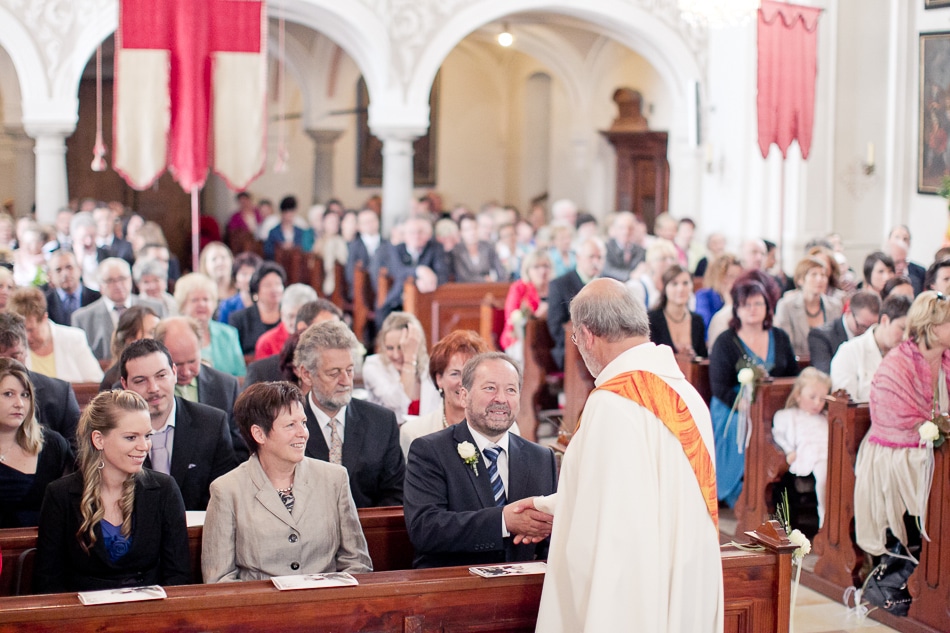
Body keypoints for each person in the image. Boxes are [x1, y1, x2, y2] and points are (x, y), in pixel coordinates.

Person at [535, 278, 723, 632]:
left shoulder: (613, 403)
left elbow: (610, 526)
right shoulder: (687, 394)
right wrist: (550, 507)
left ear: (588, 335)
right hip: (687, 584)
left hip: (636, 599)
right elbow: (647, 494)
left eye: (576, 339)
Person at [201, 382, 371, 582]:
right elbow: (219, 580)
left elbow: (358, 562)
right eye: (291, 425)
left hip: (327, 606)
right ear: (259, 434)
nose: (303, 433)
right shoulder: (227, 490)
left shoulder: (335, 479)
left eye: (304, 422)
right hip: (261, 610)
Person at [403, 352, 557, 569]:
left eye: (511, 390)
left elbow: (552, 539)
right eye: (490, 388)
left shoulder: (541, 458)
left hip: (524, 588)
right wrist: (502, 521)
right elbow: (425, 529)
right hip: (453, 586)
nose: (501, 399)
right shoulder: (429, 451)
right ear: (464, 396)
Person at [32, 390, 190, 593]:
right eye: (131, 437)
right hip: (83, 617)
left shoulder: (165, 489)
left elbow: (178, 575)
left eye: (147, 436)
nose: (144, 446)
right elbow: (48, 580)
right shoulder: (60, 494)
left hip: (149, 614)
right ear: (98, 439)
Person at [853, 292, 950, 611]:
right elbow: (894, 420)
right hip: (894, 450)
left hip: (932, 444)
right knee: (925, 466)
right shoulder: (898, 362)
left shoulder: (946, 359)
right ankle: (921, 566)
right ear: (934, 328)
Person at [294, 320, 405, 507]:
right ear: (306, 374)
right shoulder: (286, 423)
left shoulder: (382, 422)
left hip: (368, 532)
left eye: (350, 370)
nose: (345, 381)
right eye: (334, 373)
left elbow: (396, 493)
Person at [709, 276, 798, 507]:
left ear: (767, 307)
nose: (752, 309)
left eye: (758, 303)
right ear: (736, 309)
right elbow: (719, 386)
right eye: (746, 304)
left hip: (774, 408)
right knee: (744, 425)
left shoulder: (779, 337)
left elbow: (792, 375)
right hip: (734, 407)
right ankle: (739, 493)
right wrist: (743, 405)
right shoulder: (725, 342)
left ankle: (779, 491)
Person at [119, 338, 238, 510]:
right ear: (125, 384)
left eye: (161, 376)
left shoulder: (212, 424)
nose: (153, 388)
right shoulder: (113, 431)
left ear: (174, 373)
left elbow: (225, 497)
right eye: (140, 381)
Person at [154, 317, 246, 462]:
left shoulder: (226, 386)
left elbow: (239, 447)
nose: (185, 371)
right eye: (177, 364)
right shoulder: (147, 389)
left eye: (192, 361)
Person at [0, 358, 73, 527]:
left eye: (25, 395)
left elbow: (71, 506)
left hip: (43, 547)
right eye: (8, 394)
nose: (19, 404)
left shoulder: (52, 445)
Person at [399, 330, 491, 458]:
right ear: (439, 379)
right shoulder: (413, 433)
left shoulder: (501, 427)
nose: (462, 382)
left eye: (470, 374)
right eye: (455, 374)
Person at [0, 312, 82, 447]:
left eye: (15, 356)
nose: (7, 365)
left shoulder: (60, 393)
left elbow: (77, 454)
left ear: (26, 351)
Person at [772, 367, 833, 530]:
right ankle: (824, 519)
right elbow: (778, 435)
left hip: (829, 453)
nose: (817, 403)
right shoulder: (788, 416)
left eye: (822, 399)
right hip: (811, 455)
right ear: (798, 395)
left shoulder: (825, 418)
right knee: (824, 476)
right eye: (812, 397)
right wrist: (788, 450)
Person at [71, 257, 165, 361]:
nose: (118, 285)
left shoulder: (155, 307)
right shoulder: (83, 318)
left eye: (122, 278)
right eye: (110, 281)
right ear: (100, 286)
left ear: (130, 279)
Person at [8, 287, 103, 383]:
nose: (26, 337)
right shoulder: (14, 349)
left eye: (31, 330)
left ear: (44, 318)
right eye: (20, 330)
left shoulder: (74, 338)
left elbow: (95, 381)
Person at [830, 294, 911, 403]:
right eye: (902, 328)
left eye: (911, 331)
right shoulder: (849, 351)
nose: (906, 336)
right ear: (885, 320)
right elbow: (845, 406)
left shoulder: (910, 354)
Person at [363, 312, 440, 423]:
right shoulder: (373, 365)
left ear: (416, 344)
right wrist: (409, 360)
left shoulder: (430, 368)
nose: (396, 355)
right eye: (389, 348)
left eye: (401, 347)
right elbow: (397, 400)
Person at [547, 237, 605, 369]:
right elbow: (555, 327)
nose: (596, 262)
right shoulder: (560, 285)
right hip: (571, 348)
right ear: (578, 258)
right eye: (591, 257)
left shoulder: (607, 284)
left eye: (600, 257)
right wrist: (586, 344)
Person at [175, 273, 246, 377]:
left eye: (206, 299)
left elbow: (241, 374)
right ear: (182, 305)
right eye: (195, 300)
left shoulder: (229, 333)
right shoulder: (174, 336)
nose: (202, 304)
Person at [773, 256, 843, 359]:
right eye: (814, 274)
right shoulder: (786, 306)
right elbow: (786, 344)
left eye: (823, 275)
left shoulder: (835, 305)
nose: (820, 279)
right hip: (797, 365)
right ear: (801, 280)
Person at [806, 290, 881, 374]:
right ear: (848, 312)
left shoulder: (877, 336)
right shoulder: (821, 336)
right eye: (862, 326)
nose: (867, 332)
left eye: (872, 327)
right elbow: (825, 375)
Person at [499, 248, 551, 365]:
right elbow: (512, 317)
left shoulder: (555, 288)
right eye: (537, 267)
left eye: (546, 266)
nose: (542, 271)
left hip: (548, 339)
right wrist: (537, 316)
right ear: (528, 270)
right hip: (520, 339)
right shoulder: (519, 288)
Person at [648, 264, 707, 359]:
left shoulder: (697, 321)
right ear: (665, 288)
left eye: (685, 283)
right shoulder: (652, 319)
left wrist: (692, 356)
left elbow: (703, 358)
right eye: (674, 284)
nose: (680, 289)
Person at [228, 262, 286, 355]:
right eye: (267, 285)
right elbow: (233, 355)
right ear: (256, 291)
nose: (274, 289)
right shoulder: (239, 319)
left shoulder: (289, 316)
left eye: (278, 284)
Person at [99, 305, 161, 392]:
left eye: (161, 331)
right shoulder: (113, 380)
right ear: (131, 339)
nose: (160, 337)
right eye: (152, 332)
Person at [253, 283, 318, 361]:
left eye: (300, 317)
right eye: (290, 316)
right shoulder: (267, 342)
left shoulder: (319, 339)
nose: (295, 323)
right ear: (281, 314)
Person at [44, 249, 100, 326]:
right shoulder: (45, 303)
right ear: (50, 276)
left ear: (79, 269)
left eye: (69, 267)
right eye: (58, 270)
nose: (65, 274)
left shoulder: (97, 298)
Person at [694, 252, 741, 336]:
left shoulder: (742, 297)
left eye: (738, 277)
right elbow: (706, 329)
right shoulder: (704, 296)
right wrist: (729, 305)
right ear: (717, 276)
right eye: (730, 276)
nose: (735, 281)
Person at [450, 214, 507, 282]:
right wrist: (484, 280)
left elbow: (501, 272)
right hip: (465, 289)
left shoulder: (488, 247)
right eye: (467, 229)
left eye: (475, 228)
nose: (472, 232)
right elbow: (463, 276)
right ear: (460, 232)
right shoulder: (456, 251)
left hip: (488, 288)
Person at [628, 238, 679, 310]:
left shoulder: (677, 286)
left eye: (672, 259)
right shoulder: (637, 286)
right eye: (663, 258)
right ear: (650, 263)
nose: (669, 263)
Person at [216, 252, 262, 326]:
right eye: (244, 274)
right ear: (235, 279)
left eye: (253, 274)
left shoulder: (265, 302)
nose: (249, 279)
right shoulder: (227, 305)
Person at [601, 211, 646, 281]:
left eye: (630, 228)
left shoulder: (641, 251)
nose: (626, 232)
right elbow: (606, 269)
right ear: (614, 229)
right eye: (622, 228)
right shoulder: (606, 247)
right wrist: (630, 275)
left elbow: (642, 269)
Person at [198, 241, 236, 312]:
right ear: (205, 264)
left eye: (223, 257)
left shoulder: (242, 292)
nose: (220, 263)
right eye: (214, 259)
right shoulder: (200, 296)